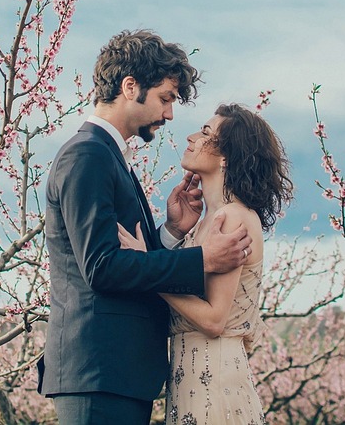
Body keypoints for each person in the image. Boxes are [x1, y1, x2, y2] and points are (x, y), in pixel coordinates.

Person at [40, 30, 253, 425]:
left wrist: (170, 233)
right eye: (165, 98)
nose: (170, 114)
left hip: (115, 375)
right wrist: (201, 260)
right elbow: (103, 267)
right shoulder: (87, 156)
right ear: (130, 86)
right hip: (99, 373)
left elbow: (125, 253)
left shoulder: (106, 156)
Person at [118, 103, 293, 425]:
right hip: (192, 373)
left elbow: (214, 320)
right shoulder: (207, 220)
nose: (191, 137)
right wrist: (174, 231)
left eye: (206, 132)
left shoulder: (233, 217)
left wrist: (149, 270)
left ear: (227, 155)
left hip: (214, 376)